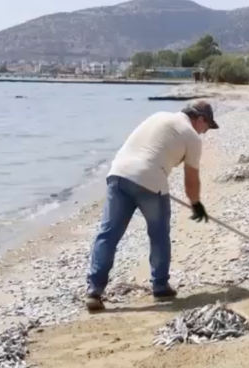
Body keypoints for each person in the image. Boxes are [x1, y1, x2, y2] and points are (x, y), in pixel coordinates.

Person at [85, 99, 219, 311]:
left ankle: (94, 291)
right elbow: (191, 180)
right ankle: (160, 286)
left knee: (108, 234)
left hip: (118, 174)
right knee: (158, 235)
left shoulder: (158, 116)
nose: (205, 132)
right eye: (207, 127)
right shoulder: (192, 137)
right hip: (151, 180)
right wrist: (196, 204)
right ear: (200, 119)